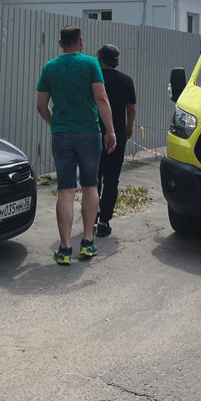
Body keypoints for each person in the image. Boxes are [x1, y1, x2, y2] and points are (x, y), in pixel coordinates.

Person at [36, 26, 116, 265]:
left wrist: (55, 124)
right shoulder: (91, 64)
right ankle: (88, 242)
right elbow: (101, 98)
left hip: (62, 134)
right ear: (80, 42)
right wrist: (110, 130)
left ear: (60, 43)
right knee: (90, 186)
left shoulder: (49, 67)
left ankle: (64, 248)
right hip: (89, 133)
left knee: (66, 189)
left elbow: (41, 105)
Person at [95, 44, 137, 238]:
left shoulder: (94, 79)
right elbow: (131, 108)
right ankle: (104, 221)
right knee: (112, 179)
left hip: (94, 134)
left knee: (94, 179)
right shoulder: (126, 80)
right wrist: (128, 128)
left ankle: (91, 216)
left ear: (100, 59)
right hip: (117, 136)